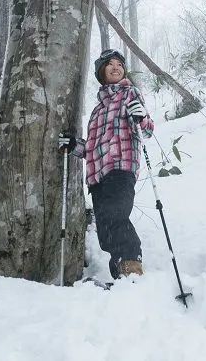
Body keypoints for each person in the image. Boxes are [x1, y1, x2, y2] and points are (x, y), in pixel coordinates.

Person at [59, 48, 154, 280]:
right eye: (110, 64)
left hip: (121, 168)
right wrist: (73, 146)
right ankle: (120, 276)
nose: (116, 67)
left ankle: (132, 269)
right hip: (97, 178)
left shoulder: (130, 93)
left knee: (115, 215)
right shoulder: (97, 110)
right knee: (105, 232)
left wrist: (141, 118)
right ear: (101, 72)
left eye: (120, 64)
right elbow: (92, 148)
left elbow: (147, 130)